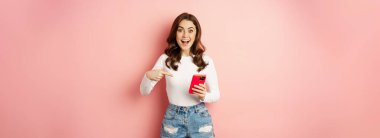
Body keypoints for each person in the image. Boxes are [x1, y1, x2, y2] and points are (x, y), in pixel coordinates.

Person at [140, 12, 220, 138]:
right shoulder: (165, 59)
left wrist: (204, 96)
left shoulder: (206, 61)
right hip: (173, 119)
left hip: (199, 117)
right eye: (180, 30)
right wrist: (148, 76)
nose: (185, 35)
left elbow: (216, 95)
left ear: (196, 33)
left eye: (190, 30)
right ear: (175, 33)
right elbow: (144, 91)